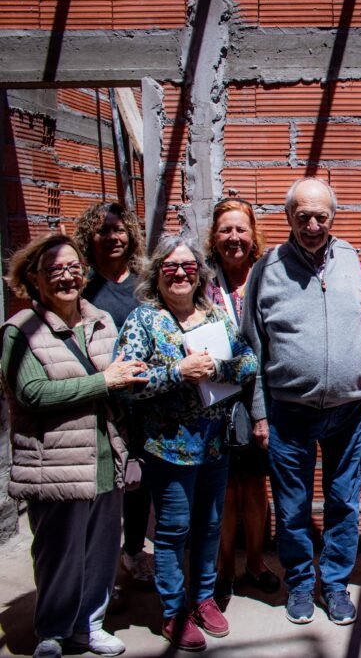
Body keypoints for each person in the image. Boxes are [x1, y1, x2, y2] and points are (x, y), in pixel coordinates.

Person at [1, 234, 147, 658]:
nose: (66, 277)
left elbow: (119, 378)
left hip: (105, 454)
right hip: (55, 461)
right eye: (54, 270)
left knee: (101, 548)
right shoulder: (19, 330)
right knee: (58, 552)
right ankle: (52, 630)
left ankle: (90, 625)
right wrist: (105, 381)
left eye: (72, 268)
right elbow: (32, 393)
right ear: (34, 278)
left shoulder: (101, 320)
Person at [115, 234, 257, 652]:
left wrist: (217, 368)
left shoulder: (214, 315)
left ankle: (203, 599)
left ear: (200, 274)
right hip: (168, 448)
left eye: (189, 267)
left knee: (210, 525)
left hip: (215, 444)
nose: (180, 273)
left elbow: (248, 361)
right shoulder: (143, 320)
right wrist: (178, 372)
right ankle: (174, 611)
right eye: (171, 267)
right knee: (174, 530)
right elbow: (127, 384)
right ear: (156, 273)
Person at [241, 177, 361, 626]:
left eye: (321, 217)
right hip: (288, 411)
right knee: (292, 505)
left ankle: (334, 584)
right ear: (288, 218)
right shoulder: (267, 269)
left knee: (343, 502)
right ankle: (299, 583)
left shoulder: (351, 259)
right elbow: (252, 347)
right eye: (303, 217)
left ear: (333, 217)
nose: (312, 226)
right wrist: (259, 413)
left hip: (348, 410)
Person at [72, 202, 154, 586]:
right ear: (89, 237)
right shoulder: (82, 287)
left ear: (131, 235)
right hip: (99, 400)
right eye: (103, 230)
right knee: (103, 485)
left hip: (141, 401)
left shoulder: (143, 284)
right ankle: (98, 572)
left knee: (139, 481)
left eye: (119, 229)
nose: (112, 237)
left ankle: (132, 551)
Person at [204, 198, 281, 603]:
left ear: (253, 235)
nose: (233, 238)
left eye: (241, 229)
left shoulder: (267, 275)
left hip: (260, 397)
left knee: (253, 485)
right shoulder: (202, 280)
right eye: (225, 230)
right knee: (223, 486)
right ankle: (224, 568)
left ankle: (254, 561)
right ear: (214, 237)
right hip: (214, 397)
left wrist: (263, 411)